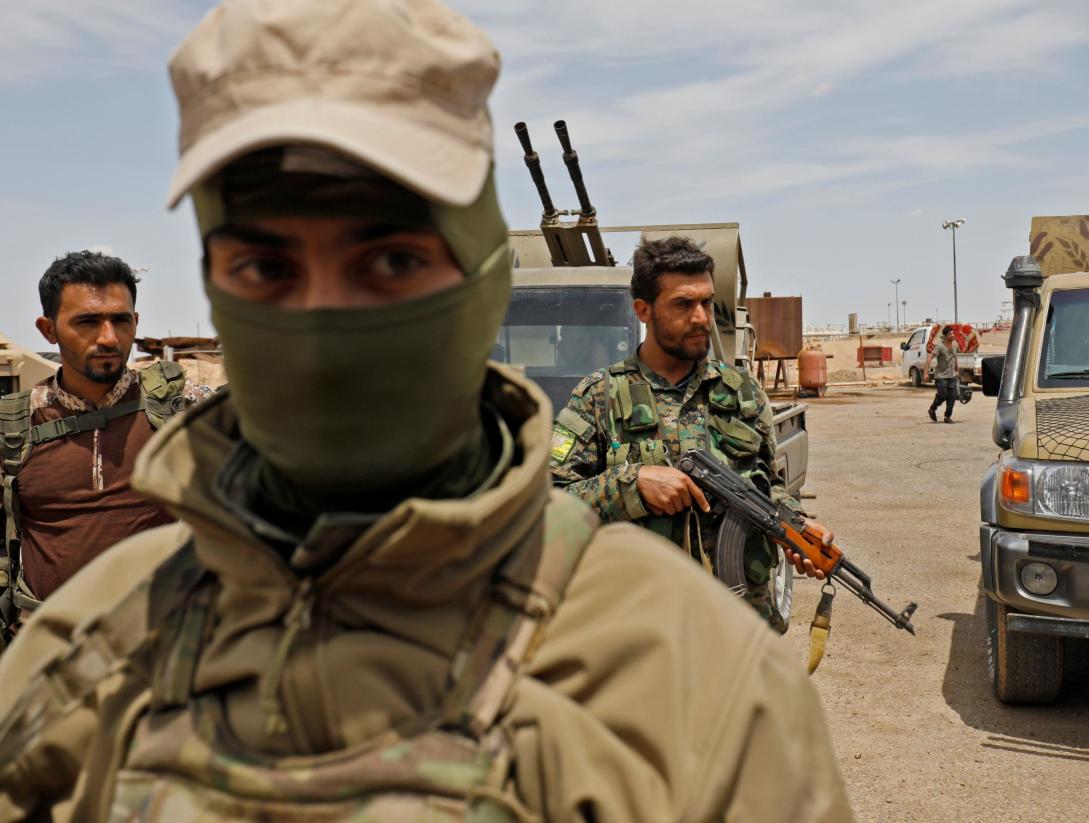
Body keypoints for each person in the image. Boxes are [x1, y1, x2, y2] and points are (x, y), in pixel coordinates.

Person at [0, 2, 853, 820]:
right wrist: (633, 481)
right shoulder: (86, 652)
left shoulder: (696, 687)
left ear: (479, 287)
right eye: (266, 268)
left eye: (394, 259)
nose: (325, 325)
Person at [550, 236, 830, 633]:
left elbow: (769, 484)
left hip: (740, 628)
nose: (701, 317)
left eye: (706, 302)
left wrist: (795, 525)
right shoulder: (599, 396)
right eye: (683, 304)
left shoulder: (741, 391)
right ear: (643, 311)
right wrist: (633, 485)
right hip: (639, 632)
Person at [0, 251, 211, 641]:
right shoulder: (15, 425)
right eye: (88, 322)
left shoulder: (184, 408)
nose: (109, 337)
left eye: (120, 320)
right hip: (46, 652)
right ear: (48, 330)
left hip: (158, 646)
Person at [926, 325, 960, 423]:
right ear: (945, 336)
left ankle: (947, 417)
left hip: (952, 376)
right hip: (941, 376)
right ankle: (932, 409)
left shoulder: (955, 344)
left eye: (953, 333)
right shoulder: (940, 347)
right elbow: (929, 357)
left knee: (952, 397)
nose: (952, 335)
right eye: (950, 334)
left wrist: (957, 370)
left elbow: (955, 357)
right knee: (943, 395)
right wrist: (925, 372)